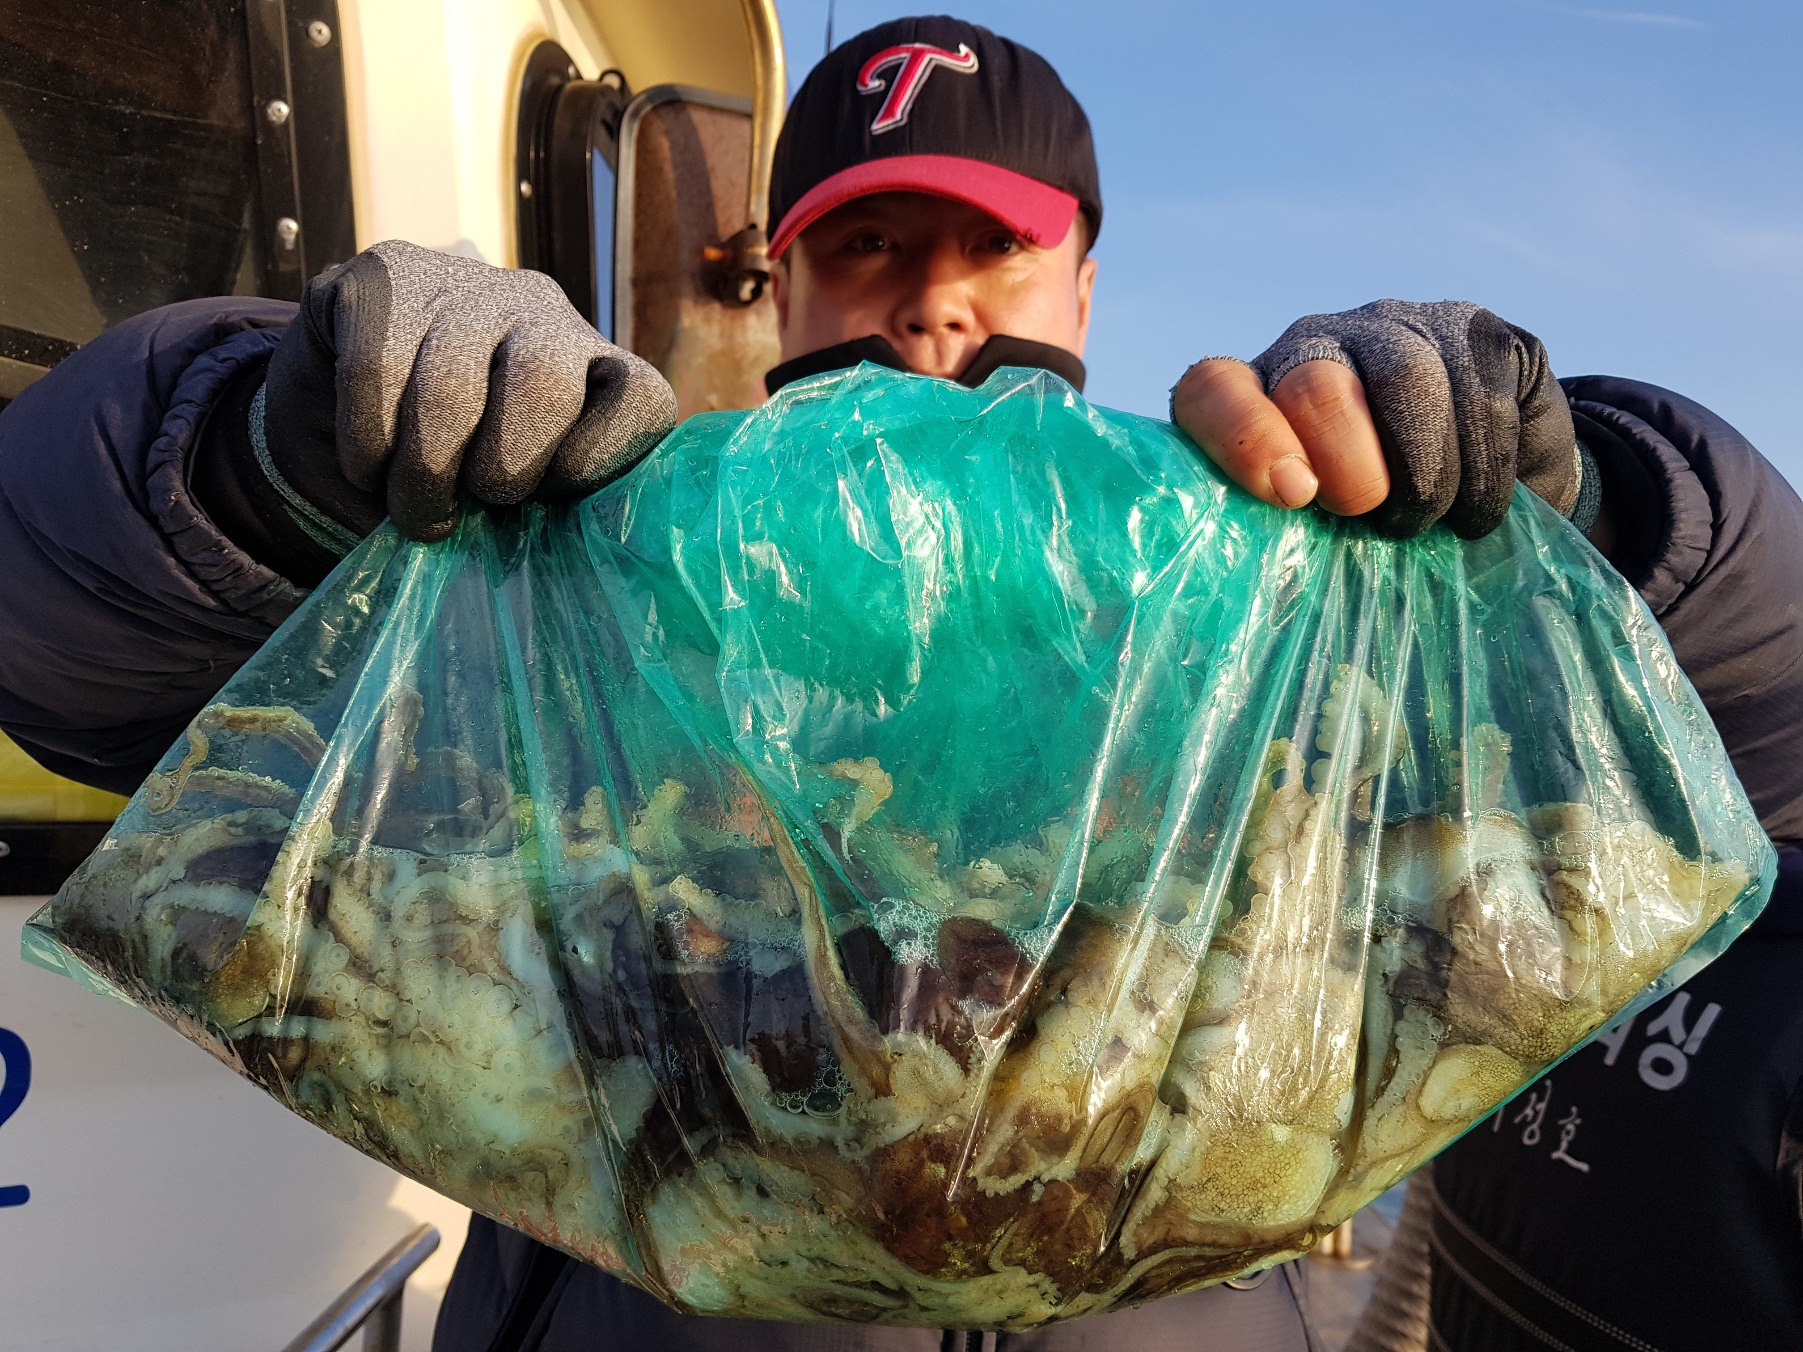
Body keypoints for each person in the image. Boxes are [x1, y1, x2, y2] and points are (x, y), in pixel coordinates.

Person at [1, 12, 1797, 1352]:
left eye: (991, 246)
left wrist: (1585, 518)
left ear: (1084, 277)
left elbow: (1758, 760)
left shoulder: (1254, 591)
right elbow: (62, 656)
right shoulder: (594, 567)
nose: (932, 303)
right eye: (869, 243)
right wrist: (272, 461)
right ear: (776, 280)